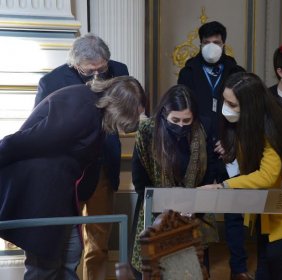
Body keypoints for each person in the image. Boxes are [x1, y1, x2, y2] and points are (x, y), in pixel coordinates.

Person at [0, 76, 146, 280]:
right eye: (133, 116)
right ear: (120, 107)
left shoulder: (94, 110)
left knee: (70, 255)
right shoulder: (83, 109)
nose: (132, 123)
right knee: (44, 267)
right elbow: (31, 139)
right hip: (40, 196)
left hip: (58, 196)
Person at [200, 72, 282, 280]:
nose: (226, 108)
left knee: (278, 253)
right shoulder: (246, 122)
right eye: (225, 100)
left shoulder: (271, 126)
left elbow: (266, 176)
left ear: (250, 106)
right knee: (266, 248)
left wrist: (225, 186)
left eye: (232, 104)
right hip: (272, 195)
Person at [34, 33, 130, 280]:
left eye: (102, 70)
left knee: (98, 243)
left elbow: (126, 113)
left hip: (103, 168)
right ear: (75, 65)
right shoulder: (51, 82)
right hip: (68, 173)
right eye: (90, 72)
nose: (97, 77)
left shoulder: (120, 71)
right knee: (66, 245)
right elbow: (40, 131)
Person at [178, 21, 250, 280]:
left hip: (229, 151)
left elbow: (245, 110)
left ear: (224, 44)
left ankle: (238, 269)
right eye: (207, 42)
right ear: (200, 44)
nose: (212, 47)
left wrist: (230, 142)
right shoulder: (188, 71)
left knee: (234, 214)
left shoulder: (236, 71)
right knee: (199, 213)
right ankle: (200, 268)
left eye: (217, 42)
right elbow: (184, 110)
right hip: (199, 151)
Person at [131, 85, 219, 277]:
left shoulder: (204, 127)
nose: (181, 125)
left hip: (194, 213)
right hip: (156, 214)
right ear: (164, 113)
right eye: (175, 120)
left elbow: (209, 170)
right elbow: (140, 179)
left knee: (192, 271)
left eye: (187, 120)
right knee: (157, 271)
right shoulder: (148, 131)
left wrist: (195, 205)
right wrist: (165, 208)